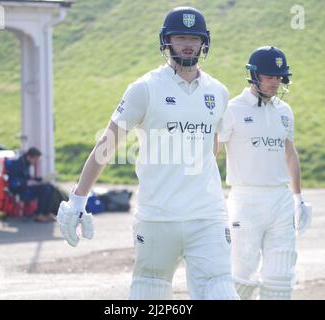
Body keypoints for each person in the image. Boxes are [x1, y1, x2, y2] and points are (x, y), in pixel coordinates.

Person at [57, 7, 239, 300]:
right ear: (166, 42)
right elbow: (107, 145)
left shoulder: (218, 92)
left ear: (205, 42)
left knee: (219, 291)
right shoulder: (145, 88)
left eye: (194, 38)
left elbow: (211, 147)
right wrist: (77, 200)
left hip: (207, 216)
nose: (188, 44)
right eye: (180, 37)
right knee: (149, 293)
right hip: (157, 217)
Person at [217, 46, 312, 299]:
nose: (275, 82)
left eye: (279, 77)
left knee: (281, 274)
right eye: (269, 76)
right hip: (246, 199)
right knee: (241, 273)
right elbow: (211, 153)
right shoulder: (233, 109)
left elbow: (290, 154)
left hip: (280, 200)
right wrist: (208, 194)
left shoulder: (285, 111)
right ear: (254, 75)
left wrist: (297, 198)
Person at [5, 147, 65, 222]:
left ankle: (46, 213)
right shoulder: (18, 164)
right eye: (36, 159)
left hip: (26, 186)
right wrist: (29, 182)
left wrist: (40, 179)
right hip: (19, 189)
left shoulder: (26, 163)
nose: (37, 161)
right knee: (44, 188)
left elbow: (29, 177)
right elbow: (15, 181)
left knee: (51, 187)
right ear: (29, 157)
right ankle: (39, 214)